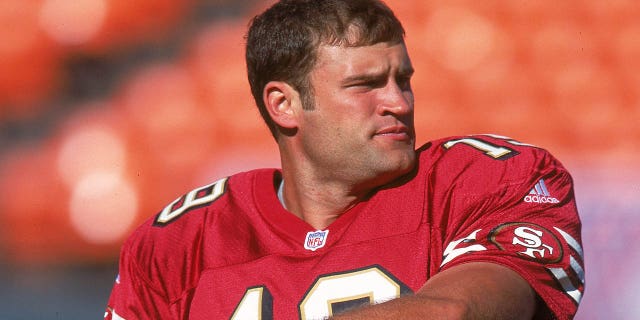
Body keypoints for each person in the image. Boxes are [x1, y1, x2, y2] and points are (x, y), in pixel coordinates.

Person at [104, 0, 585, 319]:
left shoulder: (486, 179)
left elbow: (457, 311)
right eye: (366, 85)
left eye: (403, 79)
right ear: (283, 105)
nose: (398, 102)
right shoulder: (177, 244)